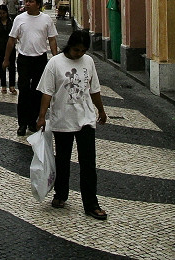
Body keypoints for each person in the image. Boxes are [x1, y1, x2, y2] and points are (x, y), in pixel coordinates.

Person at [36, 30, 108, 220]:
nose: (79, 54)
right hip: (62, 119)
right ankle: (61, 194)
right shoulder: (55, 63)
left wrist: (101, 110)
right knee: (63, 160)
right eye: (77, 50)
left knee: (88, 163)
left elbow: (94, 89)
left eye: (83, 51)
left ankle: (91, 203)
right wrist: (42, 116)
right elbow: (47, 92)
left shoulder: (89, 62)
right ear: (69, 46)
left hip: (85, 118)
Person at [3, 0, 58, 136]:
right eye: (26, 1)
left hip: (40, 59)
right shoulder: (19, 19)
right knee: (24, 91)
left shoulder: (46, 19)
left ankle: (33, 121)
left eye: (30, 2)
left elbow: (52, 39)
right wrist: (6, 59)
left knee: (37, 92)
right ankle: (22, 123)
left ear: (38, 4)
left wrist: (57, 58)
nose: (27, 4)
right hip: (24, 59)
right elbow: (11, 40)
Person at [0, 4, 16, 94]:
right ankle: (3, 85)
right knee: (2, 66)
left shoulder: (11, 22)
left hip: (10, 45)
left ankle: (12, 85)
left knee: (12, 66)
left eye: (4, 13)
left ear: (7, 13)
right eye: (0, 13)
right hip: (0, 45)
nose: (2, 15)